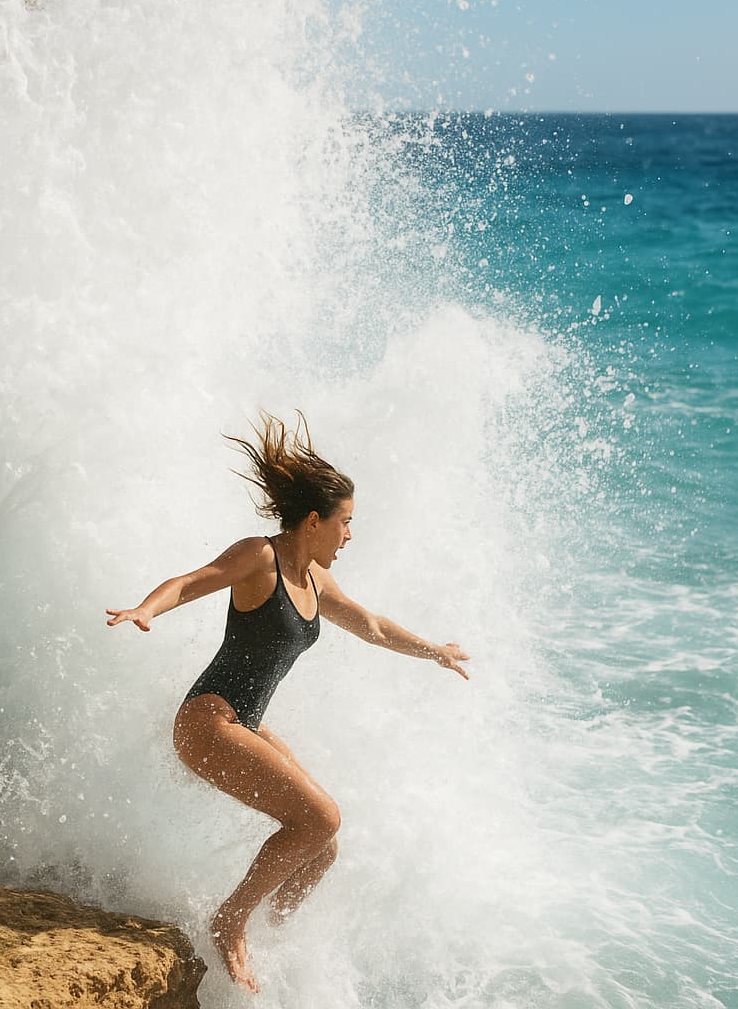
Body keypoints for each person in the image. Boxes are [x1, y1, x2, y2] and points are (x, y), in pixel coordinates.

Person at [105, 412, 470, 992]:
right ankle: (230, 920)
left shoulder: (315, 580)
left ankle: (269, 937)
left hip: (243, 722)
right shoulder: (260, 557)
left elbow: (371, 624)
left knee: (321, 847)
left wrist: (434, 651)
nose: (350, 535)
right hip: (208, 720)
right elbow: (191, 581)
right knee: (321, 818)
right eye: (345, 523)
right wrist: (146, 609)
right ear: (313, 521)